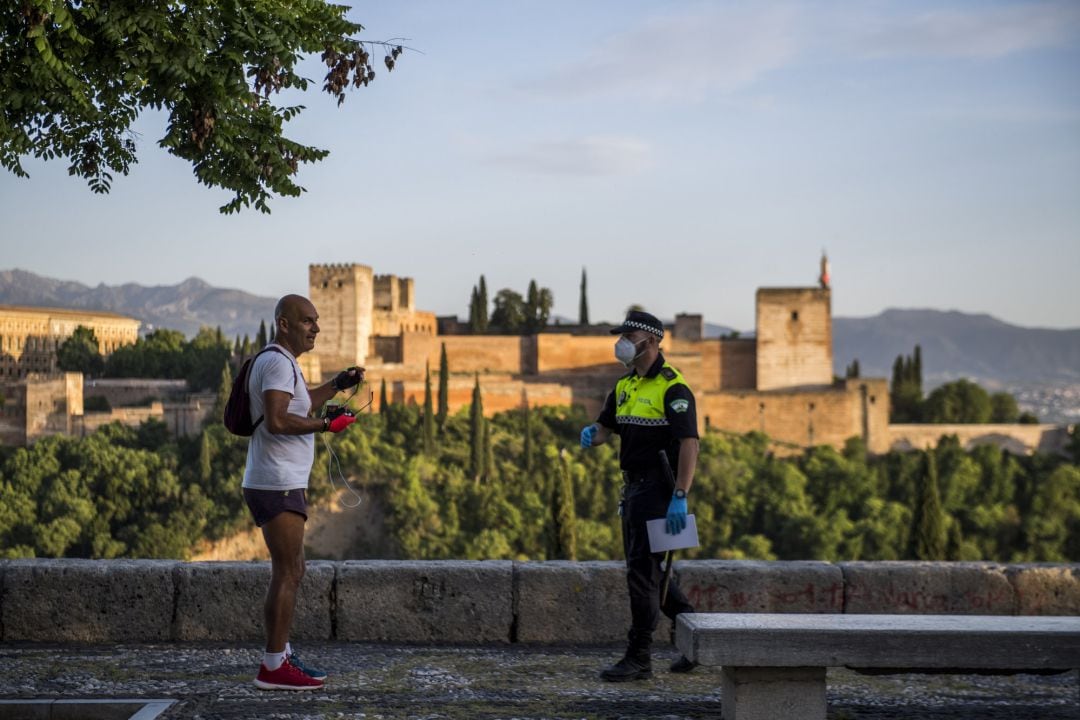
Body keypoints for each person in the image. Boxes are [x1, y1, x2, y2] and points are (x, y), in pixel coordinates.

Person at [244, 294, 364, 691]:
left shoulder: (283, 362)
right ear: (284, 323)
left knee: (293, 570)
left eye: (316, 321)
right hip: (275, 482)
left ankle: (280, 653)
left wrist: (335, 386)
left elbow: (302, 402)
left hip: (280, 480)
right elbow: (278, 421)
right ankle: (274, 666)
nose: (316, 327)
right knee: (289, 571)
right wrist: (325, 427)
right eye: (308, 321)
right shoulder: (277, 362)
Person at [580, 310, 700, 682]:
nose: (622, 343)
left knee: (643, 576)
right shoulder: (625, 386)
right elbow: (606, 426)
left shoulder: (673, 387)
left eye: (628, 336)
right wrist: (593, 434)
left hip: (658, 492)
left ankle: (639, 657)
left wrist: (680, 493)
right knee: (654, 575)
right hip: (632, 489)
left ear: (650, 340)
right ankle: (700, 640)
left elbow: (689, 443)